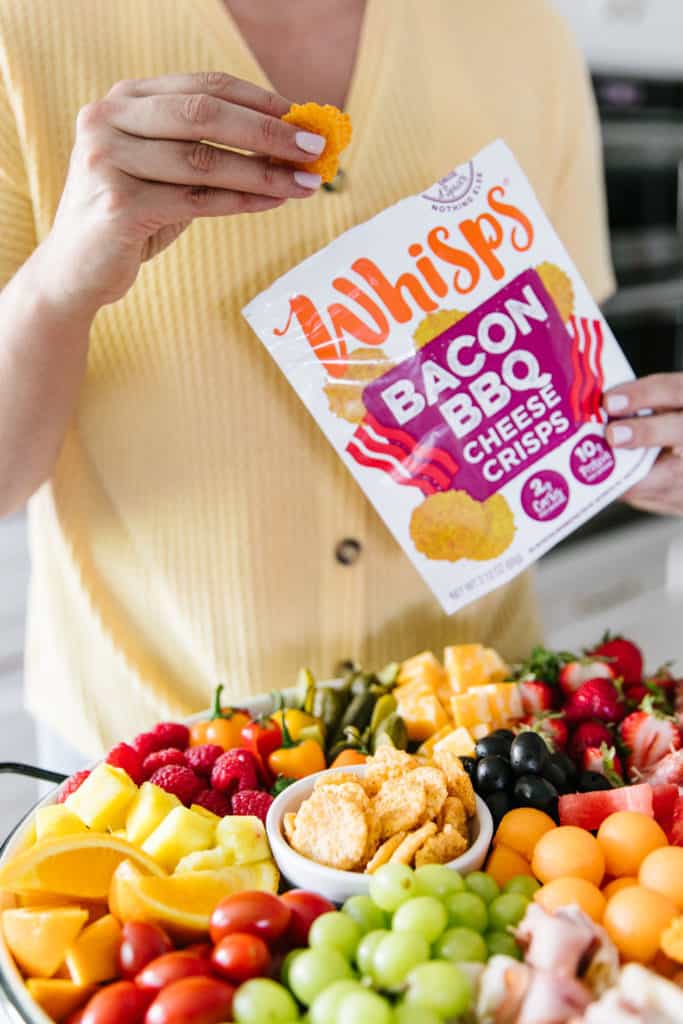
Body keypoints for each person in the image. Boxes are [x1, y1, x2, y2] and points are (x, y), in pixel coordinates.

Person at [0, 0, 681, 766]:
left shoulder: (520, 26)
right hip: (157, 756)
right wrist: (55, 285)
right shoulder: (24, 32)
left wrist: (631, 444)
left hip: (480, 740)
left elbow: (560, 372)